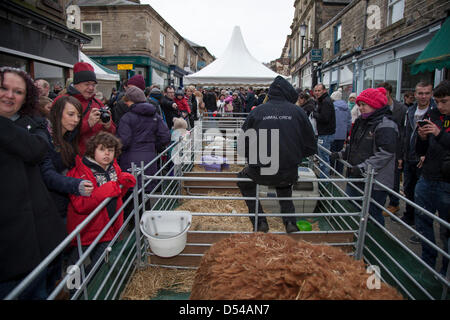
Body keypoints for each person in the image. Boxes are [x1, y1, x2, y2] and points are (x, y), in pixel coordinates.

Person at [0, 67, 65, 299]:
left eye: (17, 91)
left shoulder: (32, 125)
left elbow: (38, 150)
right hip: (9, 253)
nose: (9, 95)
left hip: (39, 242)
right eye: (3, 88)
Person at [237, 76, 317, 233]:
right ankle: (290, 223)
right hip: (288, 171)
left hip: (260, 170)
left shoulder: (258, 111)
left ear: (271, 93)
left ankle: (260, 222)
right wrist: (294, 158)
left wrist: (253, 159)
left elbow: (242, 145)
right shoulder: (298, 112)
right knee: (284, 186)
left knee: (244, 180)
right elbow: (311, 145)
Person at [66, 132, 136, 275]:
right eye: (102, 149)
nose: (107, 154)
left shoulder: (113, 168)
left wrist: (123, 183)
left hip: (108, 227)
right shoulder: (79, 173)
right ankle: (74, 292)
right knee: (75, 266)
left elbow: (116, 194)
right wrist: (103, 191)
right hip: (87, 231)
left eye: (110, 150)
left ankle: (93, 288)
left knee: (100, 265)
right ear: (93, 150)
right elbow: (80, 205)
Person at [331, 87, 398, 227]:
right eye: (359, 104)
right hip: (357, 175)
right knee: (352, 209)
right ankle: (355, 237)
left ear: (375, 104)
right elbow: (356, 145)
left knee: (371, 215)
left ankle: (373, 244)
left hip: (375, 180)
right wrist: (343, 154)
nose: (361, 108)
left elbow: (386, 152)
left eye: (364, 105)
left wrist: (362, 168)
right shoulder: (362, 121)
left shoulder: (386, 124)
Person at [414, 80, 450, 275]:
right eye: (438, 101)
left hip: (447, 183)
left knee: (446, 231)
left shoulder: (440, 123)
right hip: (427, 177)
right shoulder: (433, 115)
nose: (440, 106)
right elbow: (420, 149)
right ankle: (427, 263)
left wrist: (439, 133)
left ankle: (445, 272)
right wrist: (422, 138)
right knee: (423, 223)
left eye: (444, 101)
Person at [117, 86, 170, 193]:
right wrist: (154, 145)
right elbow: (165, 136)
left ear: (131, 101)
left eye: (127, 101)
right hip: (150, 158)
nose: (126, 104)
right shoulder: (155, 115)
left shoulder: (127, 117)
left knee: (132, 196)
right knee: (146, 196)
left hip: (130, 160)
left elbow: (124, 141)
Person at [56, 62, 116, 155]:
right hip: (73, 159)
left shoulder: (98, 103)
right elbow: (58, 131)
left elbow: (112, 133)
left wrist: (108, 125)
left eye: (93, 84)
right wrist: (87, 124)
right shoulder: (62, 101)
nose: (91, 88)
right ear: (76, 84)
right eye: (87, 84)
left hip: (97, 159)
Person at [401, 82, 435, 230]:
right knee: (408, 188)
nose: (423, 96)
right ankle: (409, 216)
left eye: (427, 93)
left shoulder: (435, 112)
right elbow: (405, 134)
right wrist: (401, 155)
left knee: (422, 194)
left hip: (424, 160)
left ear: (431, 94)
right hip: (409, 156)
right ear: (415, 94)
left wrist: (426, 154)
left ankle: (422, 227)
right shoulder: (410, 111)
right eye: (420, 93)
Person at [377, 82, 407, 217]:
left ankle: (394, 203)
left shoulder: (401, 108)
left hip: (396, 149)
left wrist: (400, 155)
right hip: (383, 146)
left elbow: (403, 133)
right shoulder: (378, 108)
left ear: (388, 93)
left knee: (394, 178)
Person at [313, 84, 336, 178]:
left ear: (324, 91)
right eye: (316, 91)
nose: (317, 93)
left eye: (319, 90)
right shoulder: (322, 101)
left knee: (324, 158)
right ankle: (323, 178)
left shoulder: (326, 102)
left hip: (326, 134)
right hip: (324, 133)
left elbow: (324, 118)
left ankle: (324, 181)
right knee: (323, 158)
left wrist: (314, 114)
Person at [330, 89, 351, 175]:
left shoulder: (332, 107)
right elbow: (349, 122)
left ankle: (331, 170)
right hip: (342, 135)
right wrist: (347, 132)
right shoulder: (347, 108)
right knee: (341, 154)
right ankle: (339, 171)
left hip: (333, 133)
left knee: (331, 153)